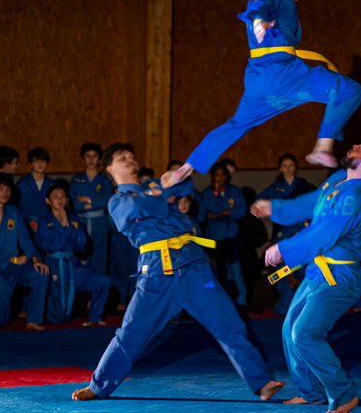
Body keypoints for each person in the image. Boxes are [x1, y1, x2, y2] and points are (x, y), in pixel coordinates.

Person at [72, 143, 284, 402]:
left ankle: (261, 382)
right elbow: (149, 207)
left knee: (228, 323)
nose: (130, 159)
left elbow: (185, 188)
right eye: (122, 157)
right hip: (156, 273)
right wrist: (163, 194)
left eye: (131, 155)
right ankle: (99, 385)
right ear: (109, 168)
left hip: (193, 265)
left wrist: (170, 182)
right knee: (132, 334)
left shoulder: (154, 185)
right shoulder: (118, 201)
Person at [162, 0, 361, 188]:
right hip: (283, 73)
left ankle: (184, 170)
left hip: (259, 81)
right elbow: (262, 7)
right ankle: (322, 147)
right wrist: (258, 20)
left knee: (236, 125)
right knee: (349, 89)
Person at [254, 138, 361, 413]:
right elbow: (312, 202)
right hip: (317, 271)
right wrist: (276, 208)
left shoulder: (357, 197)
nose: (354, 145)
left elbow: (325, 232)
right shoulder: (338, 179)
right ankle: (312, 392)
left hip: (341, 277)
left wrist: (284, 248)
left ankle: (343, 395)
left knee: (305, 333)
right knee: (290, 330)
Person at [0, 173, 49, 329]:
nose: (5, 192)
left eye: (7, 188)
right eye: (0, 188)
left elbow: (25, 240)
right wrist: (13, 260)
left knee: (41, 273)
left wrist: (35, 259)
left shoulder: (14, 212)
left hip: (14, 269)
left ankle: (34, 320)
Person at [35, 184, 110, 326]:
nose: (60, 200)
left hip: (72, 264)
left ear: (67, 200)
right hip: (54, 266)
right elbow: (52, 246)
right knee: (58, 318)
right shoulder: (44, 222)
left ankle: (95, 316)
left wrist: (68, 225)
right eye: (56, 197)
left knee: (102, 281)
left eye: (63, 196)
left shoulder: (74, 219)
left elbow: (80, 244)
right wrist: (64, 227)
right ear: (48, 201)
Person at [257, 154, 312, 314]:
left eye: (291, 165)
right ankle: (284, 304)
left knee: (301, 266)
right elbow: (258, 202)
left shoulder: (304, 186)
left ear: (296, 167)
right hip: (282, 231)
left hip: (300, 230)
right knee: (282, 267)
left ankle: (300, 305)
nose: (288, 168)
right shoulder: (275, 188)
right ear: (280, 169)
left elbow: (315, 203)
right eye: (285, 165)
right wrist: (271, 212)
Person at [198, 161, 248, 306]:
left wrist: (228, 213)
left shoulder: (235, 191)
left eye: (223, 175)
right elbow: (209, 212)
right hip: (215, 236)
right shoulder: (208, 193)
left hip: (232, 234)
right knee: (216, 270)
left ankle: (241, 302)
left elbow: (241, 210)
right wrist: (216, 193)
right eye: (217, 175)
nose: (220, 178)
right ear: (212, 177)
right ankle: (219, 303)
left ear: (227, 176)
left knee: (235, 271)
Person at [69, 143, 114, 275]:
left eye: (94, 156)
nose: (91, 159)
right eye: (87, 156)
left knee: (100, 262)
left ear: (99, 159)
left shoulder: (105, 180)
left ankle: (100, 287)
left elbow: (108, 200)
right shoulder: (76, 180)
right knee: (81, 260)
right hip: (81, 224)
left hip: (99, 225)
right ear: (82, 159)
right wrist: (85, 203)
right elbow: (71, 202)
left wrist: (86, 200)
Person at [17, 147, 55, 232]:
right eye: (36, 161)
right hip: (26, 224)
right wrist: (30, 221)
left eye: (43, 161)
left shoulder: (52, 184)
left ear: (47, 163)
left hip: (49, 224)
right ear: (30, 164)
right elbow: (18, 208)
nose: (40, 164)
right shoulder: (22, 184)